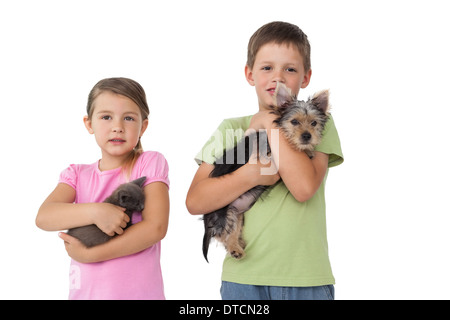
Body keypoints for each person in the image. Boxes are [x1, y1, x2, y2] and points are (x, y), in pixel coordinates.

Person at [186, 21, 343, 300]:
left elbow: (304, 188)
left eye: (290, 69)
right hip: (243, 278)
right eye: (267, 68)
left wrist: (271, 123)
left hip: (306, 277)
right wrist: (251, 174)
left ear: (306, 78)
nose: (278, 78)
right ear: (250, 74)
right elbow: (196, 202)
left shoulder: (319, 125)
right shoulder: (231, 128)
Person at [36, 77, 170, 300]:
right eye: (106, 117)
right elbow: (44, 217)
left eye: (128, 118)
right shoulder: (77, 174)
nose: (117, 127)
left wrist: (91, 255)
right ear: (89, 124)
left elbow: (155, 228)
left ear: (143, 126)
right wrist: (97, 211)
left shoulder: (148, 163)